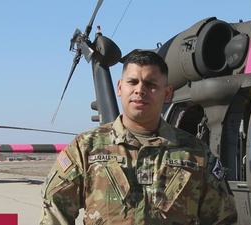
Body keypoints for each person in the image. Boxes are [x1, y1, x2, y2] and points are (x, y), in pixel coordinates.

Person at [39, 51, 237, 224]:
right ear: (119, 87)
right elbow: (55, 212)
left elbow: (223, 218)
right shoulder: (85, 148)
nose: (140, 90)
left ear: (167, 93)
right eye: (132, 82)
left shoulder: (195, 154)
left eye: (150, 84)